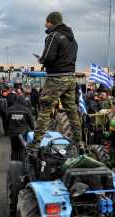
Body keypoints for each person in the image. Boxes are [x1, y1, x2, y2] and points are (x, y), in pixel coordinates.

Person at [33, 11, 81, 147]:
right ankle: (79, 142)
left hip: (56, 78)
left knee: (45, 109)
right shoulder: (73, 40)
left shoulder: (53, 36)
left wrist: (41, 59)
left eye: (46, 22)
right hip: (71, 78)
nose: (45, 24)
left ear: (52, 22)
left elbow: (48, 57)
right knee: (72, 111)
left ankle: (35, 143)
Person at [5, 95, 35, 161]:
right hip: (23, 133)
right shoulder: (27, 110)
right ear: (23, 101)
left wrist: (7, 130)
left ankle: (13, 166)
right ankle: (21, 167)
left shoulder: (9, 109)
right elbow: (31, 123)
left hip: (12, 133)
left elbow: (6, 121)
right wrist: (33, 130)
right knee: (22, 150)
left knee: (14, 149)